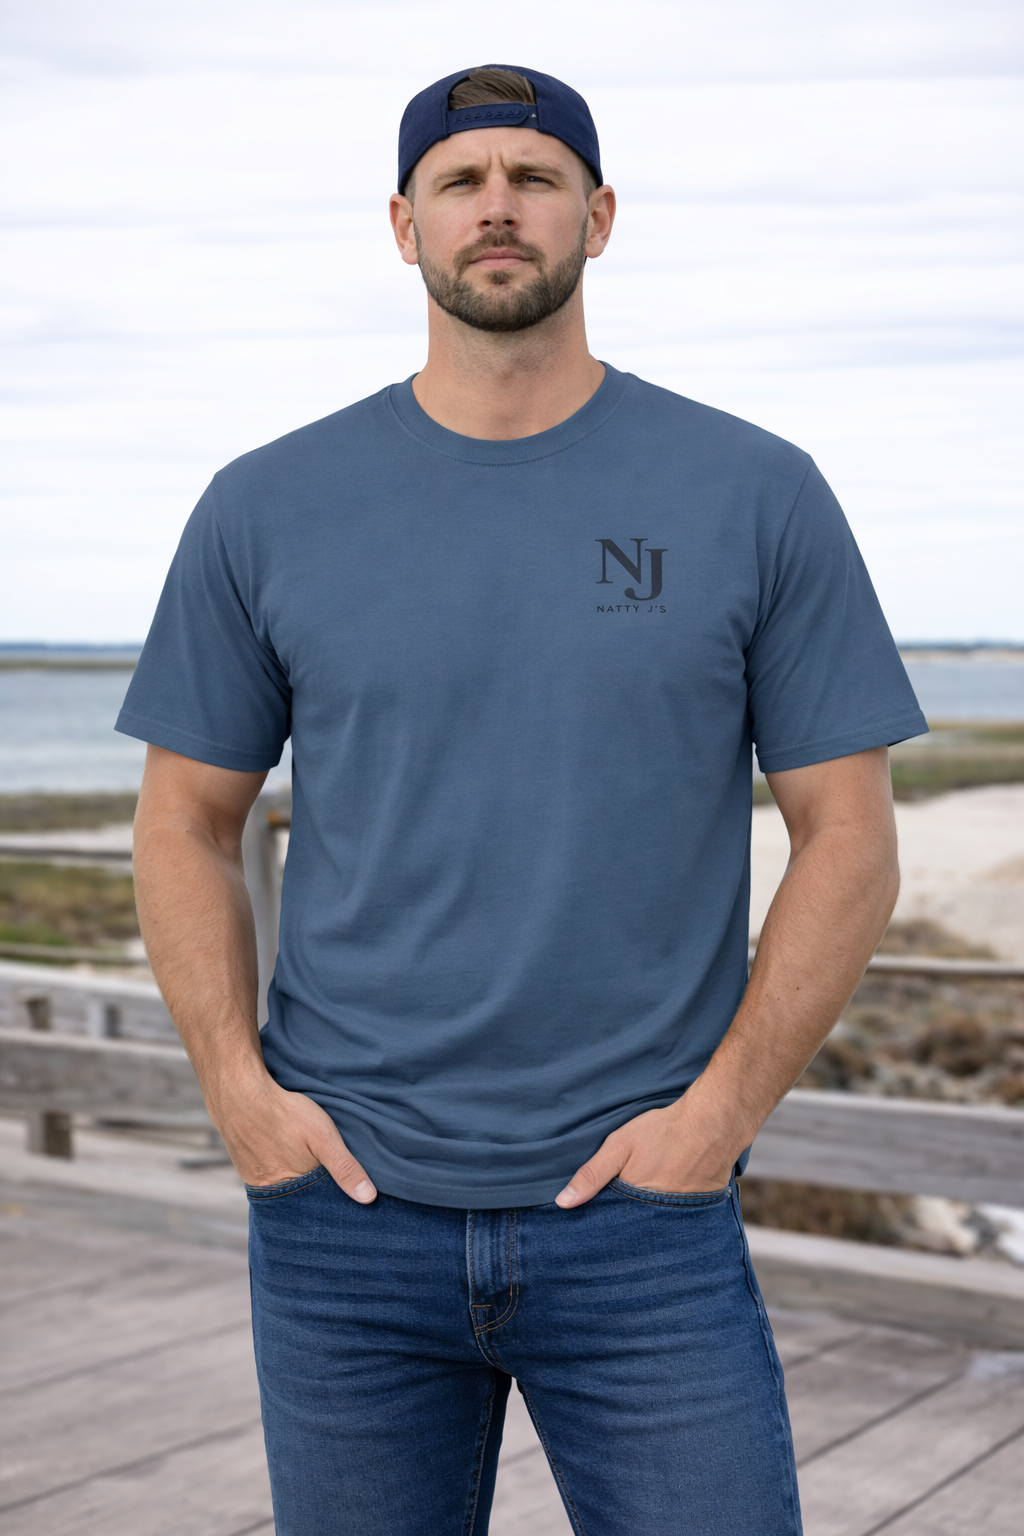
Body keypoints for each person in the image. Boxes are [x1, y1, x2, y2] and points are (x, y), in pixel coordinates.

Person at [121, 64, 926, 1536]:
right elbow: (184, 819)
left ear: (599, 218)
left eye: (536, 177)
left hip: (646, 1216)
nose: (499, 206)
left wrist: (717, 1118)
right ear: (404, 223)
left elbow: (851, 835)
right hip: (343, 1216)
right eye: (462, 179)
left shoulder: (755, 490)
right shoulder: (265, 504)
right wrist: (239, 1093)